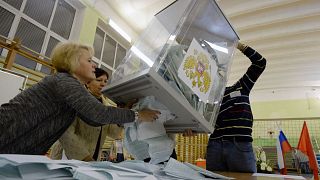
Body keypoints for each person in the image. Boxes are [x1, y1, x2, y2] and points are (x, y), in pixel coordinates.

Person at [0, 42, 160, 155]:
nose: (94, 66)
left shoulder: (68, 85)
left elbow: (93, 120)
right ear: (72, 62)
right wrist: (137, 115)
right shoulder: (63, 81)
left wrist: (124, 112)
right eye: (89, 60)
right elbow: (99, 114)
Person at [206, 42, 267, 173]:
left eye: (217, 71)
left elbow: (260, 63)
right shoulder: (206, 99)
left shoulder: (241, 86)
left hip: (239, 144)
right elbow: (200, 121)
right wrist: (191, 128)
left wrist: (240, 46)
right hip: (215, 145)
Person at [50, 68, 125, 161]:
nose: (103, 84)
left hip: (93, 158)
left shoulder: (107, 107)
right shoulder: (76, 100)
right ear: (88, 83)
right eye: (99, 80)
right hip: (70, 157)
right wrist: (84, 157)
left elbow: (113, 133)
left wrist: (121, 116)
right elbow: (66, 133)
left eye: (105, 81)